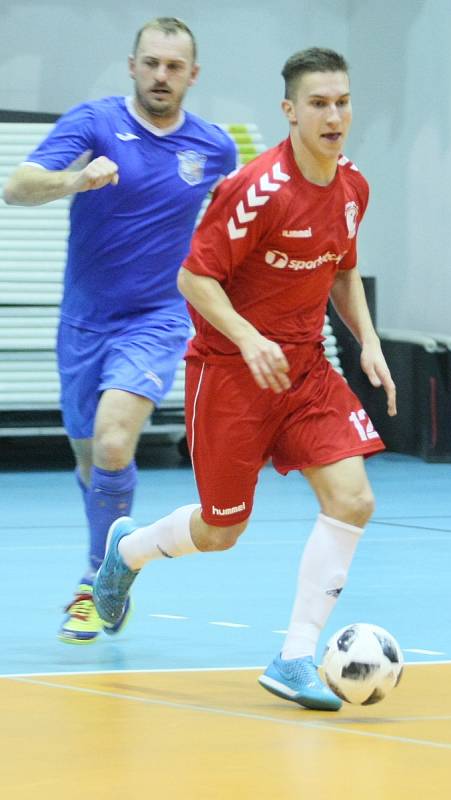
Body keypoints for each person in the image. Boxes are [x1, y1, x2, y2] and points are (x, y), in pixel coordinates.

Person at [93, 46, 397, 711]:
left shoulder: (353, 187)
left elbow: (341, 267)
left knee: (352, 500)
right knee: (220, 531)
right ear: (289, 111)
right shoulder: (256, 190)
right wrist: (248, 337)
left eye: (342, 101)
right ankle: (129, 551)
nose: (333, 115)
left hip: (306, 370)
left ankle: (294, 655)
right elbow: (193, 278)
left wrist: (366, 341)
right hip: (230, 372)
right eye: (318, 103)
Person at [2, 17, 237, 644]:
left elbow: (236, 222)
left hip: (159, 319)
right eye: (152, 63)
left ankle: (95, 580)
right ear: (132, 65)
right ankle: (102, 561)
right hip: (83, 321)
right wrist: (77, 179)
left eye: (175, 66)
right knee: (89, 458)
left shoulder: (214, 147)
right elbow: (16, 187)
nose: (162, 75)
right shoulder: (94, 122)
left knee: (112, 444)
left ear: (193, 75)